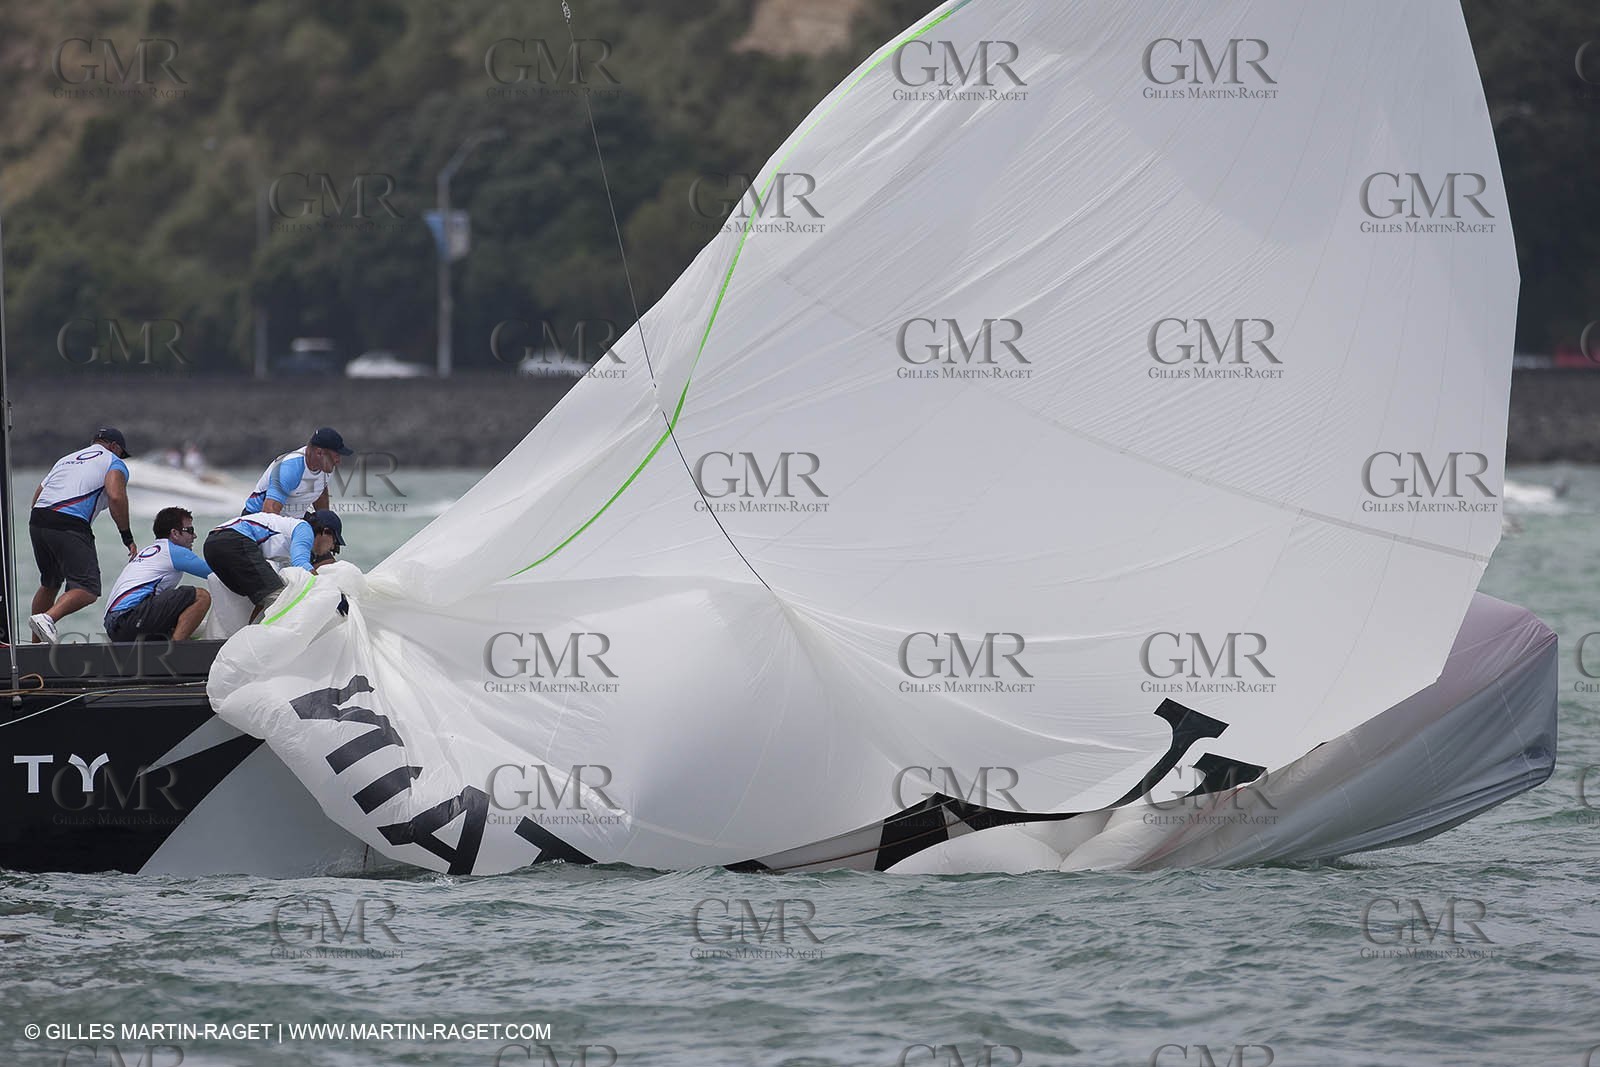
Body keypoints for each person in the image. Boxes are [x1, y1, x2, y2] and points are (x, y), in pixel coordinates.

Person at [27, 427, 137, 644]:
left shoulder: (65, 459)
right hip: (69, 523)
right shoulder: (114, 462)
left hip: (38, 520)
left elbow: (38, 494)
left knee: (50, 582)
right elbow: (116, 496)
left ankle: (34, 646)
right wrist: (127, 537)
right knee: (87, 588)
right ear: (114, 447)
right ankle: (48, 618)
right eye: (121, 453)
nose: (121, 458)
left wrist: (42, 524)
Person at [203, 508, 345, 623]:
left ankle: (248, 634)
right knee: (282, 600)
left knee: (267, 595)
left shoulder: (287, 542)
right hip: (233, 540)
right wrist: (330, 594)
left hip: (213, 545)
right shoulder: (304, 529)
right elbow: (301, 565)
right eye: (334, 542)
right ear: (326, 531)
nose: (332, 548)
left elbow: (267, 592)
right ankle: (262, 644)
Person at [103, 507, 213, 642]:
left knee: (184, 625)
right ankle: (175, 652)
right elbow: (217, 573)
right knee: (201, 597)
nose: (194, 535)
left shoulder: (150, 550)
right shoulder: (174, 551)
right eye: (190, 530)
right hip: (128, 619)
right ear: (175, 533)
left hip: (113, 625)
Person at [242, 427, 353, 517]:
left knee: (331, 528)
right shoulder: (288, 468)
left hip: (292, 519)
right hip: (257, 521)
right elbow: (269, 512)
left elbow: (320, 490)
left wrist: (325, 523)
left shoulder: (325, 465)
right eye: (337, 455)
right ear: (319, 453)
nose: (338, 461)